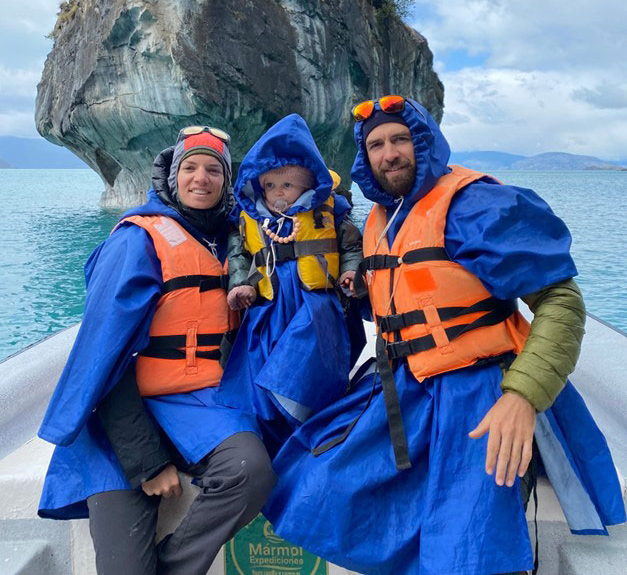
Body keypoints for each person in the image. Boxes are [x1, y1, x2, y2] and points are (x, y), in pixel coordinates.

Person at [263, 97, 626, 575]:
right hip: (406, 387)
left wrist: (522, 397)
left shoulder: (474, 204)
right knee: (309, 483)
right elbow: (405, 305)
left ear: (424, 141)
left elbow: (562, 304)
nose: (389, 153)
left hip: (480, 391)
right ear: (364, 157)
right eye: (376, 145)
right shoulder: (379, 221)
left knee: (469, 546)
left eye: (399, 139)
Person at [38, 126, 276, 575]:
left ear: (227, 181)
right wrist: (146, 462)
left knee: (250, 469)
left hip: (199, 404)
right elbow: (101, 360)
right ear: (172, 176)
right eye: (190, 168)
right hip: (121, 413)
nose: (200, 178)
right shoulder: (136, 241)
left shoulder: (239, 241)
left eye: (213, 170)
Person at [216, 113, 364, 454]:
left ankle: (305, 428)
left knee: (303, 365)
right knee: (261, 368)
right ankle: (269, 432)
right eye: (269, 185)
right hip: (268, 310)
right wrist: (241, 285)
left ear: (307, 184)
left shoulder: (331, 211)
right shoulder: (249, 218)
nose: (277, 193)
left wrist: (351, 273)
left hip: (315, 307)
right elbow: (239, 256)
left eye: (287, 185)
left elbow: (351, 247)